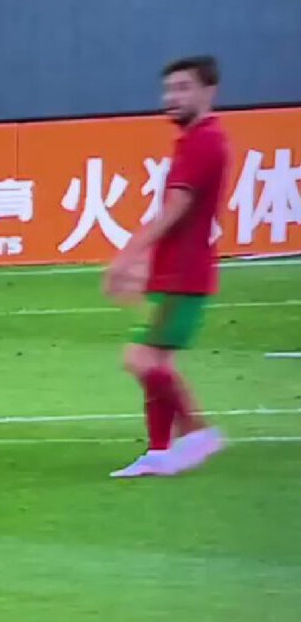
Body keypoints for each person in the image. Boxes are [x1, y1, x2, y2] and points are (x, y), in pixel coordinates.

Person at [105, 56, 229, 478]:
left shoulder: (204, 142)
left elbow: (176, 207)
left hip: (184, 275)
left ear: (207, 91)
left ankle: (197, 431)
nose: (171, 98)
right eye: (169, 89)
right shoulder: (198, 140)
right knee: (157, 361)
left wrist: (128, 255)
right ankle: (160, 451)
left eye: (182, 88)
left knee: (141, 359)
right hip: (176, 272)